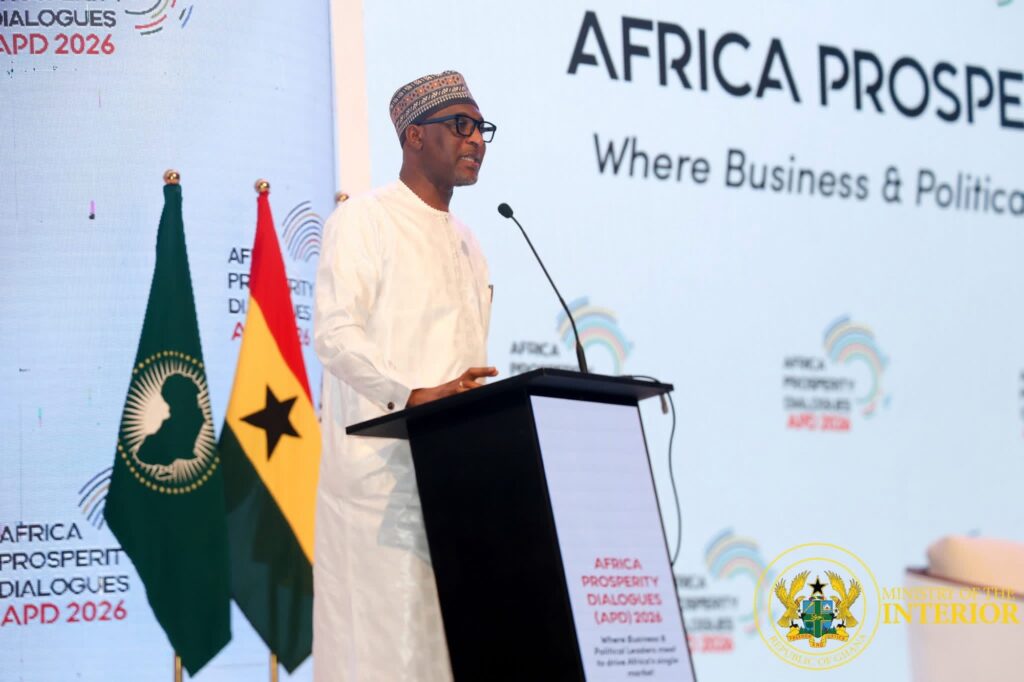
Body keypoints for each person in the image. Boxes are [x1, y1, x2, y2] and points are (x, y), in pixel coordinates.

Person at [312, 71, 498, 682]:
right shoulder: (363, 220)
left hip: (453, 482)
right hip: (379, 488)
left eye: (482, 130)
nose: (476, 141)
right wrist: (411, 395)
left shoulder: (470, 244)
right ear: (415, 136)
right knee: (385, 658)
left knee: (450, 654)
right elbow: (335, 334)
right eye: (461, 126)